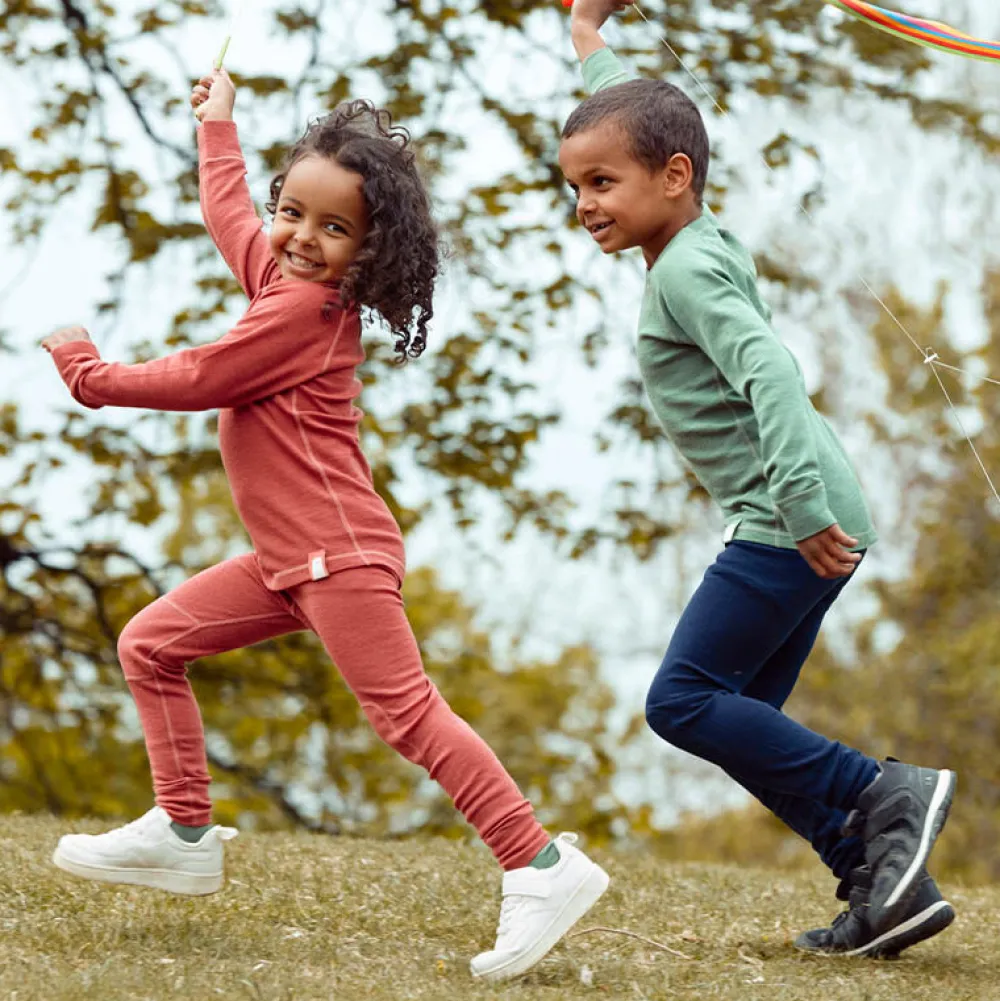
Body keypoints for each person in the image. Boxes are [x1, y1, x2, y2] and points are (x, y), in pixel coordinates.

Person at [41, 66, 608, 982]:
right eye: (293, 212)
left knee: (407, 714)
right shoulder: (282, 278)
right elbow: (229, 214)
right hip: (285, 561)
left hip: (335, 557)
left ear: (367, 252)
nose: (303, 238)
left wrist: (89, 372)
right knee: (150, 644)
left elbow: (201, 376)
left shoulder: (307, 310)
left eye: (334, 228)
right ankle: (185, 829)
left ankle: (539, 862)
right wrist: (219, 125)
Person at [558, 0, 956, 958]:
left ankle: (882, 792)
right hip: (808, 510)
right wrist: (586, 33)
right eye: (574, 186)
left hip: (790, 518)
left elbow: (771, 372)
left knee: (683, 700)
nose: (585, 204)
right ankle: (879, 882)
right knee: (744, 718)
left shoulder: (685, 274)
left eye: (603, 183)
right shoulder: (689, 233)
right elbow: (625, 111)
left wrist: (804, 510)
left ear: (674, 177)